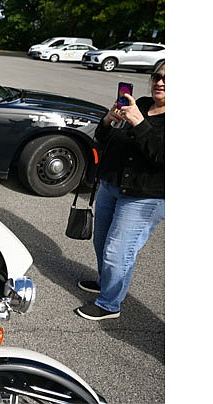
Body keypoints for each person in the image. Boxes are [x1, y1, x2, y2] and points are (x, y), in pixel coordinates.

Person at [75, 61, 165, 321]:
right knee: (101, 241)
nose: (160, 82)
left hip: (145, 196)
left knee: (118, 252)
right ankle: (106, 282)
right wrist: (107, 121)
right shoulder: (142, 104)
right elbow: (105, 139)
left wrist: (139, 123)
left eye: (167, 79)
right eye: (157, 76)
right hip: (111, 185)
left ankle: (109, 303)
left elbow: (161, 156)